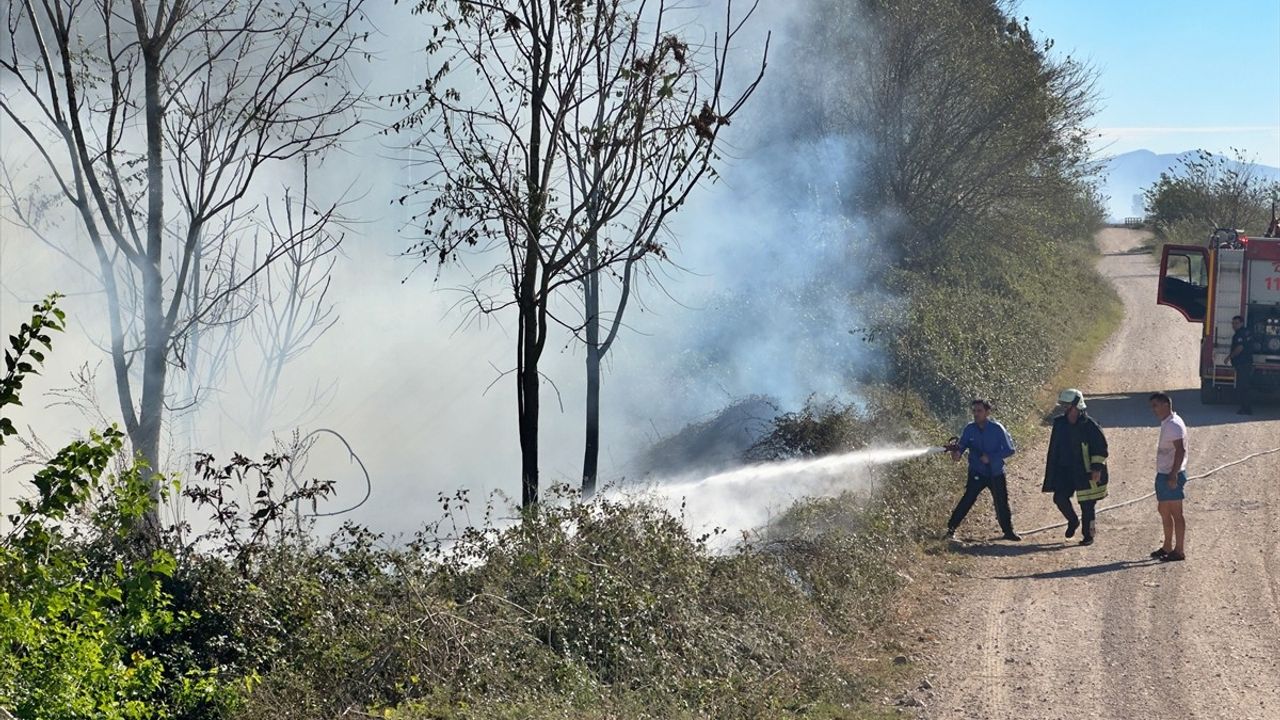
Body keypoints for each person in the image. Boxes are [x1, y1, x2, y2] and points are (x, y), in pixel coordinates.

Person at [946, 399, 1019, 541]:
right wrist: (955, 453)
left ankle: (1008, 532)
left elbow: (1010, 450)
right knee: (967, 499)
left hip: (996, 472)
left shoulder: (997, 429)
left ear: (987, 412)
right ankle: (951, 529)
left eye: (979, 411)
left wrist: (990, 457)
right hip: (976, 472)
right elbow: (960, 449)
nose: (976, 414)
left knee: (1001, 502)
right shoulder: (969, 429)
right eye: (974, 411)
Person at [1042, 389, 1108, 546]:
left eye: (1069, 407)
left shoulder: (1090, 425)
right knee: (1059, 498)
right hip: (1065, 470)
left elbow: (1101, 448)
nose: (1066, 410)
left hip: (1085, 470)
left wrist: (1096, 468)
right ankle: (1073, 521)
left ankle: (1088, 535)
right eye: (1064, 406)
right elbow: (1055, 448)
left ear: (1078, 406)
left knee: (1087, 504)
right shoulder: (1059, 424)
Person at [1149, 392, 1188, 562]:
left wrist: (1173, 475)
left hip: (1171, 475)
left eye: (1156, 405)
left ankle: (1179, 550)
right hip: (1164, 473)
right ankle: (1167, 546)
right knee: (1164, 510)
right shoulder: (1169, 423)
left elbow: (1180, 451)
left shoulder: (1173, 425)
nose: (1154, 409)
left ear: (1166, 404)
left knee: (1175, 513)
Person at [1229, 315, 1253, 415]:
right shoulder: (1246, 332)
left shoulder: (1240, 334)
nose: (1234, 325)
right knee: (1244, 387)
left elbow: (1240, 348)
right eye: (1233, 323)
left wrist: (1230, 356)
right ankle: (1245, 408)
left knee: (1243, 387)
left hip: (1243, 364)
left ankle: (1246, 409)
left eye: (1236, 323)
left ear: (1242, 323)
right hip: (1246, 363)